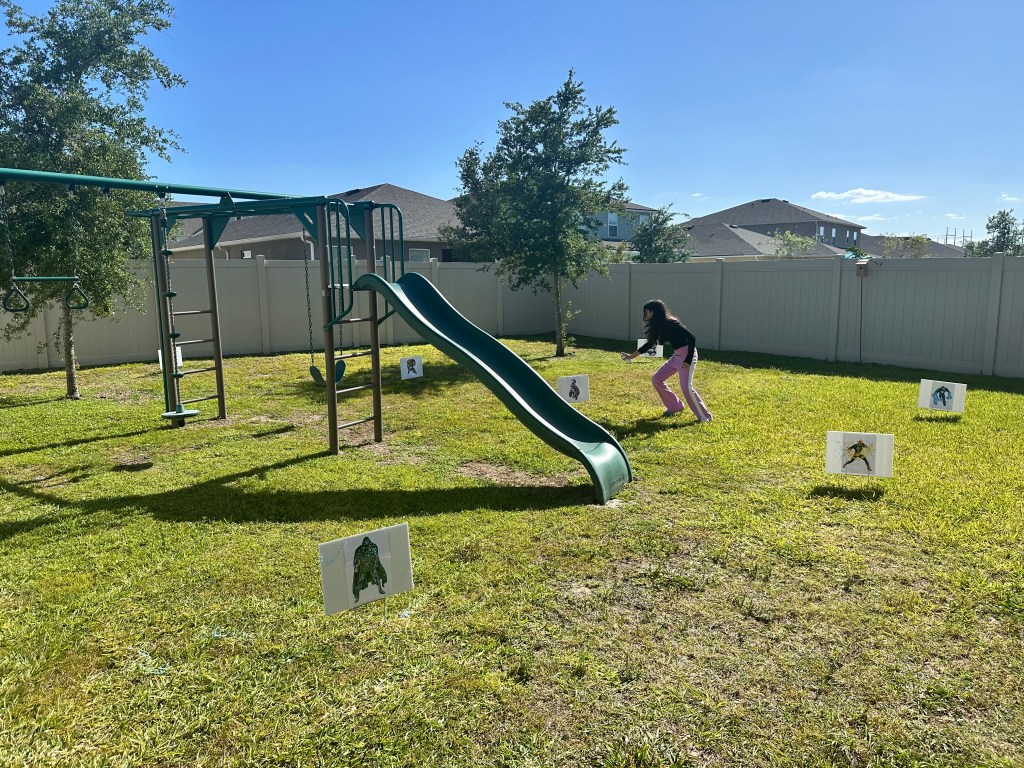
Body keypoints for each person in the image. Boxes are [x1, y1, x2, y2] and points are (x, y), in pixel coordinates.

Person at [621, 299, 712, 421]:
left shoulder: (672, 323)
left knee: (686, 388)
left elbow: (691, 338)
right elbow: (650, 344)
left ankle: (705, 417)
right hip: (676, 356)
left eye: (646, 312)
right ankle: (675, 406)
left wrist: (688, 360)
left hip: (686, 355)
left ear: (653, 311)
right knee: (656, 379)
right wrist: (631, 356)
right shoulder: (659, 326)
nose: (645, 314)